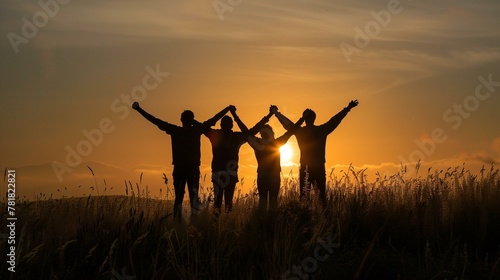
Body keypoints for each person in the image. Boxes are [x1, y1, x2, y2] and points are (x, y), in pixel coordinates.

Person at [132, 101, 231, 222]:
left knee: (178, 199)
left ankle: (177, 222)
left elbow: (155, 121)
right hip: (193, 169)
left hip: (179, 169)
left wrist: (139, 109)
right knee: (194, 198)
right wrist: (227, 109)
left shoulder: (175, 130)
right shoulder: (196, 130)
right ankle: (193, 222)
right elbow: (214, 119)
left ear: (181, 119)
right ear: (193, 120)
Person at [274, 100, 359, 207]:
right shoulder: (321, 130)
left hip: (306, 168)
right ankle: (324, 217)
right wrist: (347, 108)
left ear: (305, 120)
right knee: (321, 196)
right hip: (319, 167)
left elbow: (288, 124)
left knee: (304, 197)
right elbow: (335, 120)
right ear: (314, 119)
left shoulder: (300, 132)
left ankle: (305, 219)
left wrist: (276, 113)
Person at [204, 105, 274, 214]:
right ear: (232, 125)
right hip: (228, 173)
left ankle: (216, 226)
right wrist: (234, 115)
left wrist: (227, 110)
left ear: (221, 125)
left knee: (218, 203)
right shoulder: (235, 137)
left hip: (219, 172)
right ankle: (224, 226)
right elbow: (253, 130)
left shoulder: (215, 134)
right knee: (228, 203)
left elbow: (207, 124)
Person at [247, 106, 304, 211]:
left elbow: (247, 133)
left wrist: (270, 115)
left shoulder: (257, 144)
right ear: (272, 134)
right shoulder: (277, 143)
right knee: (273, 201)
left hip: (263, 176)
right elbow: (291, 131)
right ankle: (271, 222)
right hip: (273, 176)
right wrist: (301, 119)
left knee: (263, 201)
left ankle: (263, 223)